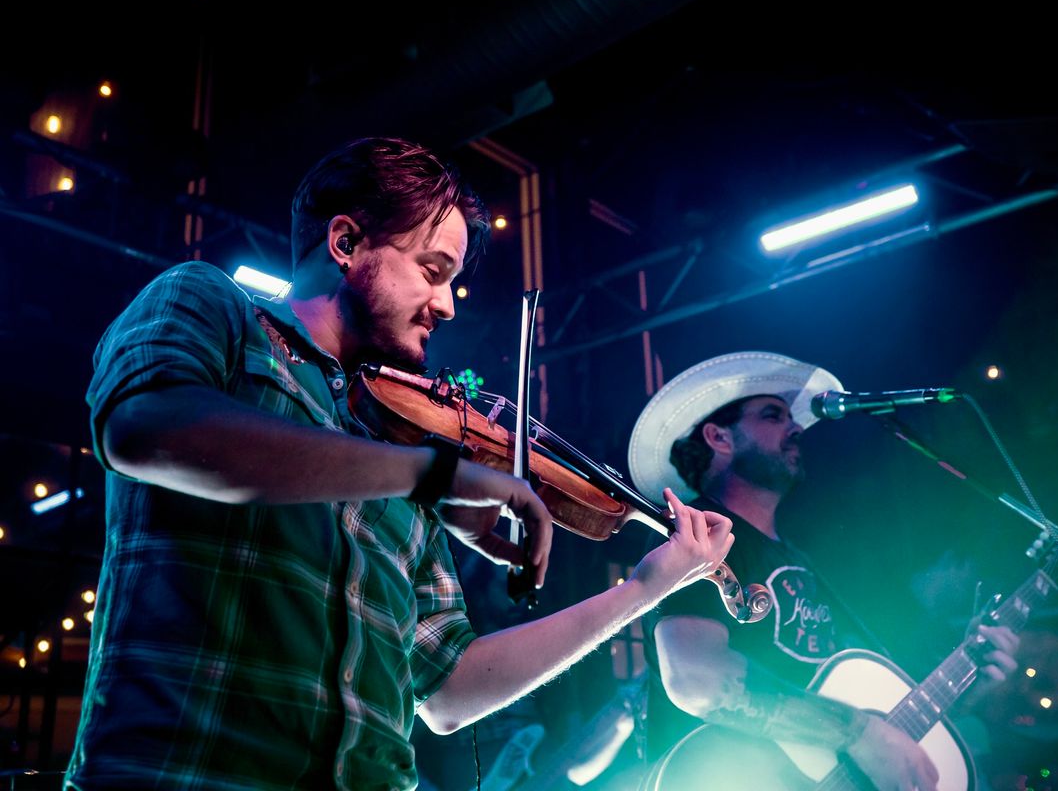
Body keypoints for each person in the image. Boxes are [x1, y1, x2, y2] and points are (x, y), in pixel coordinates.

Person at [65, 137, 733, 791]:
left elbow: (448, 690)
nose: (445, 304)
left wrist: (644, 590)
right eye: (432, 270)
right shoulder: (213, 306)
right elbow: (144, 430)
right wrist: (431, 474)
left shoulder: (398, 447)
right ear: (347, 243)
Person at [627, 352, 1020, 791]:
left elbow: (861, 701)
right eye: (773, 415)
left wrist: (968, 678)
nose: (796, 427)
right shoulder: (695, 534)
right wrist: (859, 731)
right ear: (719, 437)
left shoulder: (800, 560)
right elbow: (697, 680)